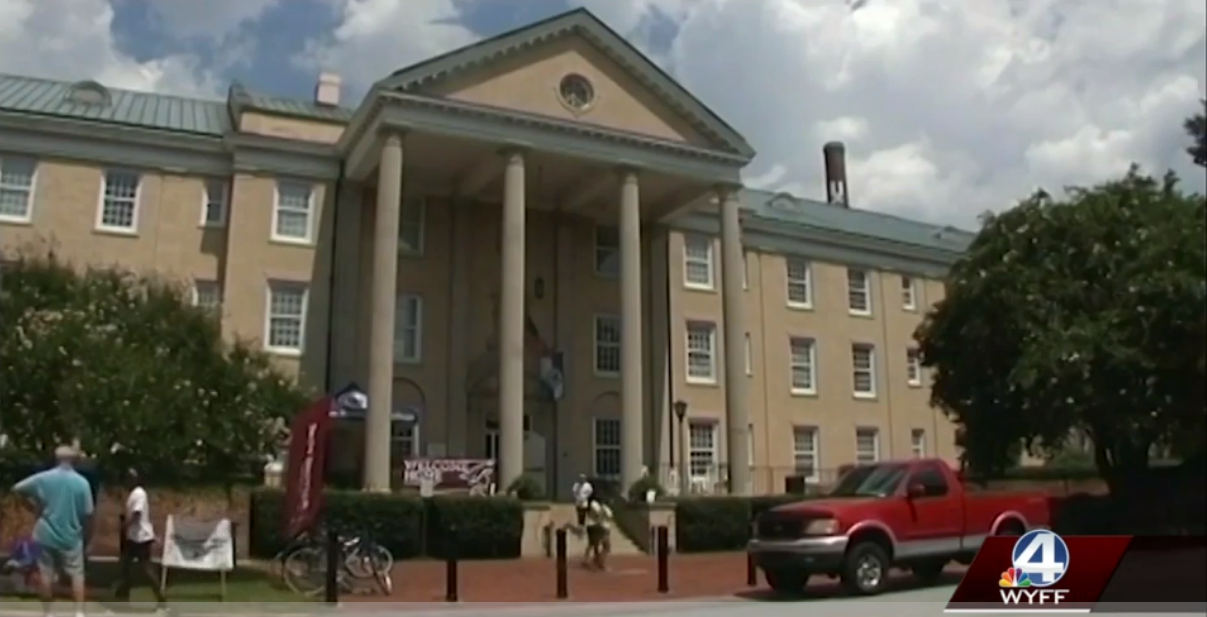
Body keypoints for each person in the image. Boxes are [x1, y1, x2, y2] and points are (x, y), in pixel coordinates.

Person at [12, 445, 95, 617]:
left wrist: (32, 506)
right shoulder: (82, 483)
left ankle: (48, 613)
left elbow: (17, 488)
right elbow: (88, 514)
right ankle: (79, 613)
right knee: (77, 575)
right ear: (75, 461)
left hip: (45, 534)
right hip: (71, 536)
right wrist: (88, 537)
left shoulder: (43, 478)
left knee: (46, 574)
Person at [114, 469, 167, 611]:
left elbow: (136, 514)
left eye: (128, 478)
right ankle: (123, 596)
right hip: (133, 536)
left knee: (146, 569)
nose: (126, 482)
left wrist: (125, 525)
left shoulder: (139, 493)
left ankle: (162, 600)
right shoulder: (133, 494)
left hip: (140, 537)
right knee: (125, 566)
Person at [584, 494, 614, 571]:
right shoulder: (599, 506)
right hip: (601, 527)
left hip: (602, 527)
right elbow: (602, 515)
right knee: (605, 546)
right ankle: (599, 562)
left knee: (596, 544)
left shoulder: (604, 507)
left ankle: (596, 560)